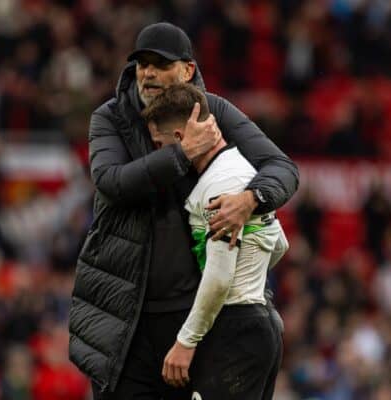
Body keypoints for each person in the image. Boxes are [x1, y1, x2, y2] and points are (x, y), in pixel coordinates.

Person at [68, 22, 299, 399]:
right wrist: (182, 153)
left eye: (160, 64)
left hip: (196, 320)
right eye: (142, 64)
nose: (149, 73)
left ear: (188, 70)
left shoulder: (215, 113)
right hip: (126, 319)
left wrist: (249, 200)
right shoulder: (110, 118)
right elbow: (111, 182)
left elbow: (283, 169)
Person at [142, 83, 289, 399]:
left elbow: (220, 278)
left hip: (236, 327)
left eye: (159, 144)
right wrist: (251, 270)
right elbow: (279, 244)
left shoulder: (220, 184)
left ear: (180, 139)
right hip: (260, 324)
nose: (158, 153)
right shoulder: (243, 170)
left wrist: (186, 341)